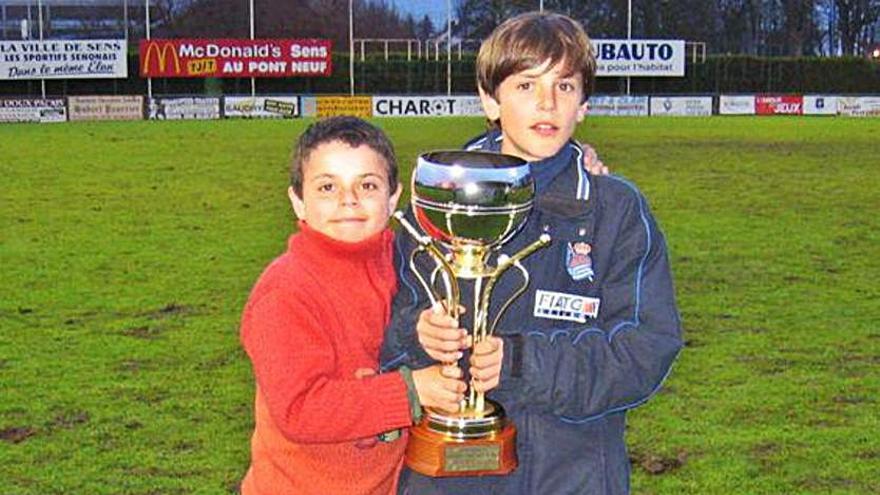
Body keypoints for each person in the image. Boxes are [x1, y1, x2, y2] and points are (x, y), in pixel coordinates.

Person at [381, 11, 683, 495]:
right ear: (490, 99)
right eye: (526, 86)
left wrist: (523, 363)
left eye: (564, 86)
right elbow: (372, 328)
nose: (547, 103)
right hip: (447, 478)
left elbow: (645, 349)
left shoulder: (617, 211)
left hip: (574, 475)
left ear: (584, 103)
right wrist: (416, 332)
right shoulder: (435, 202)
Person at [240, 116, 482, 495]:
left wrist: (574, 164)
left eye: (367, 185)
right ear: (297, 201)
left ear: (393, 197)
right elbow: (300, 409)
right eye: (327, 187)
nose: (348, 200)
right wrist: (412, 391)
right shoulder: (285, 291)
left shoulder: (409, 264)